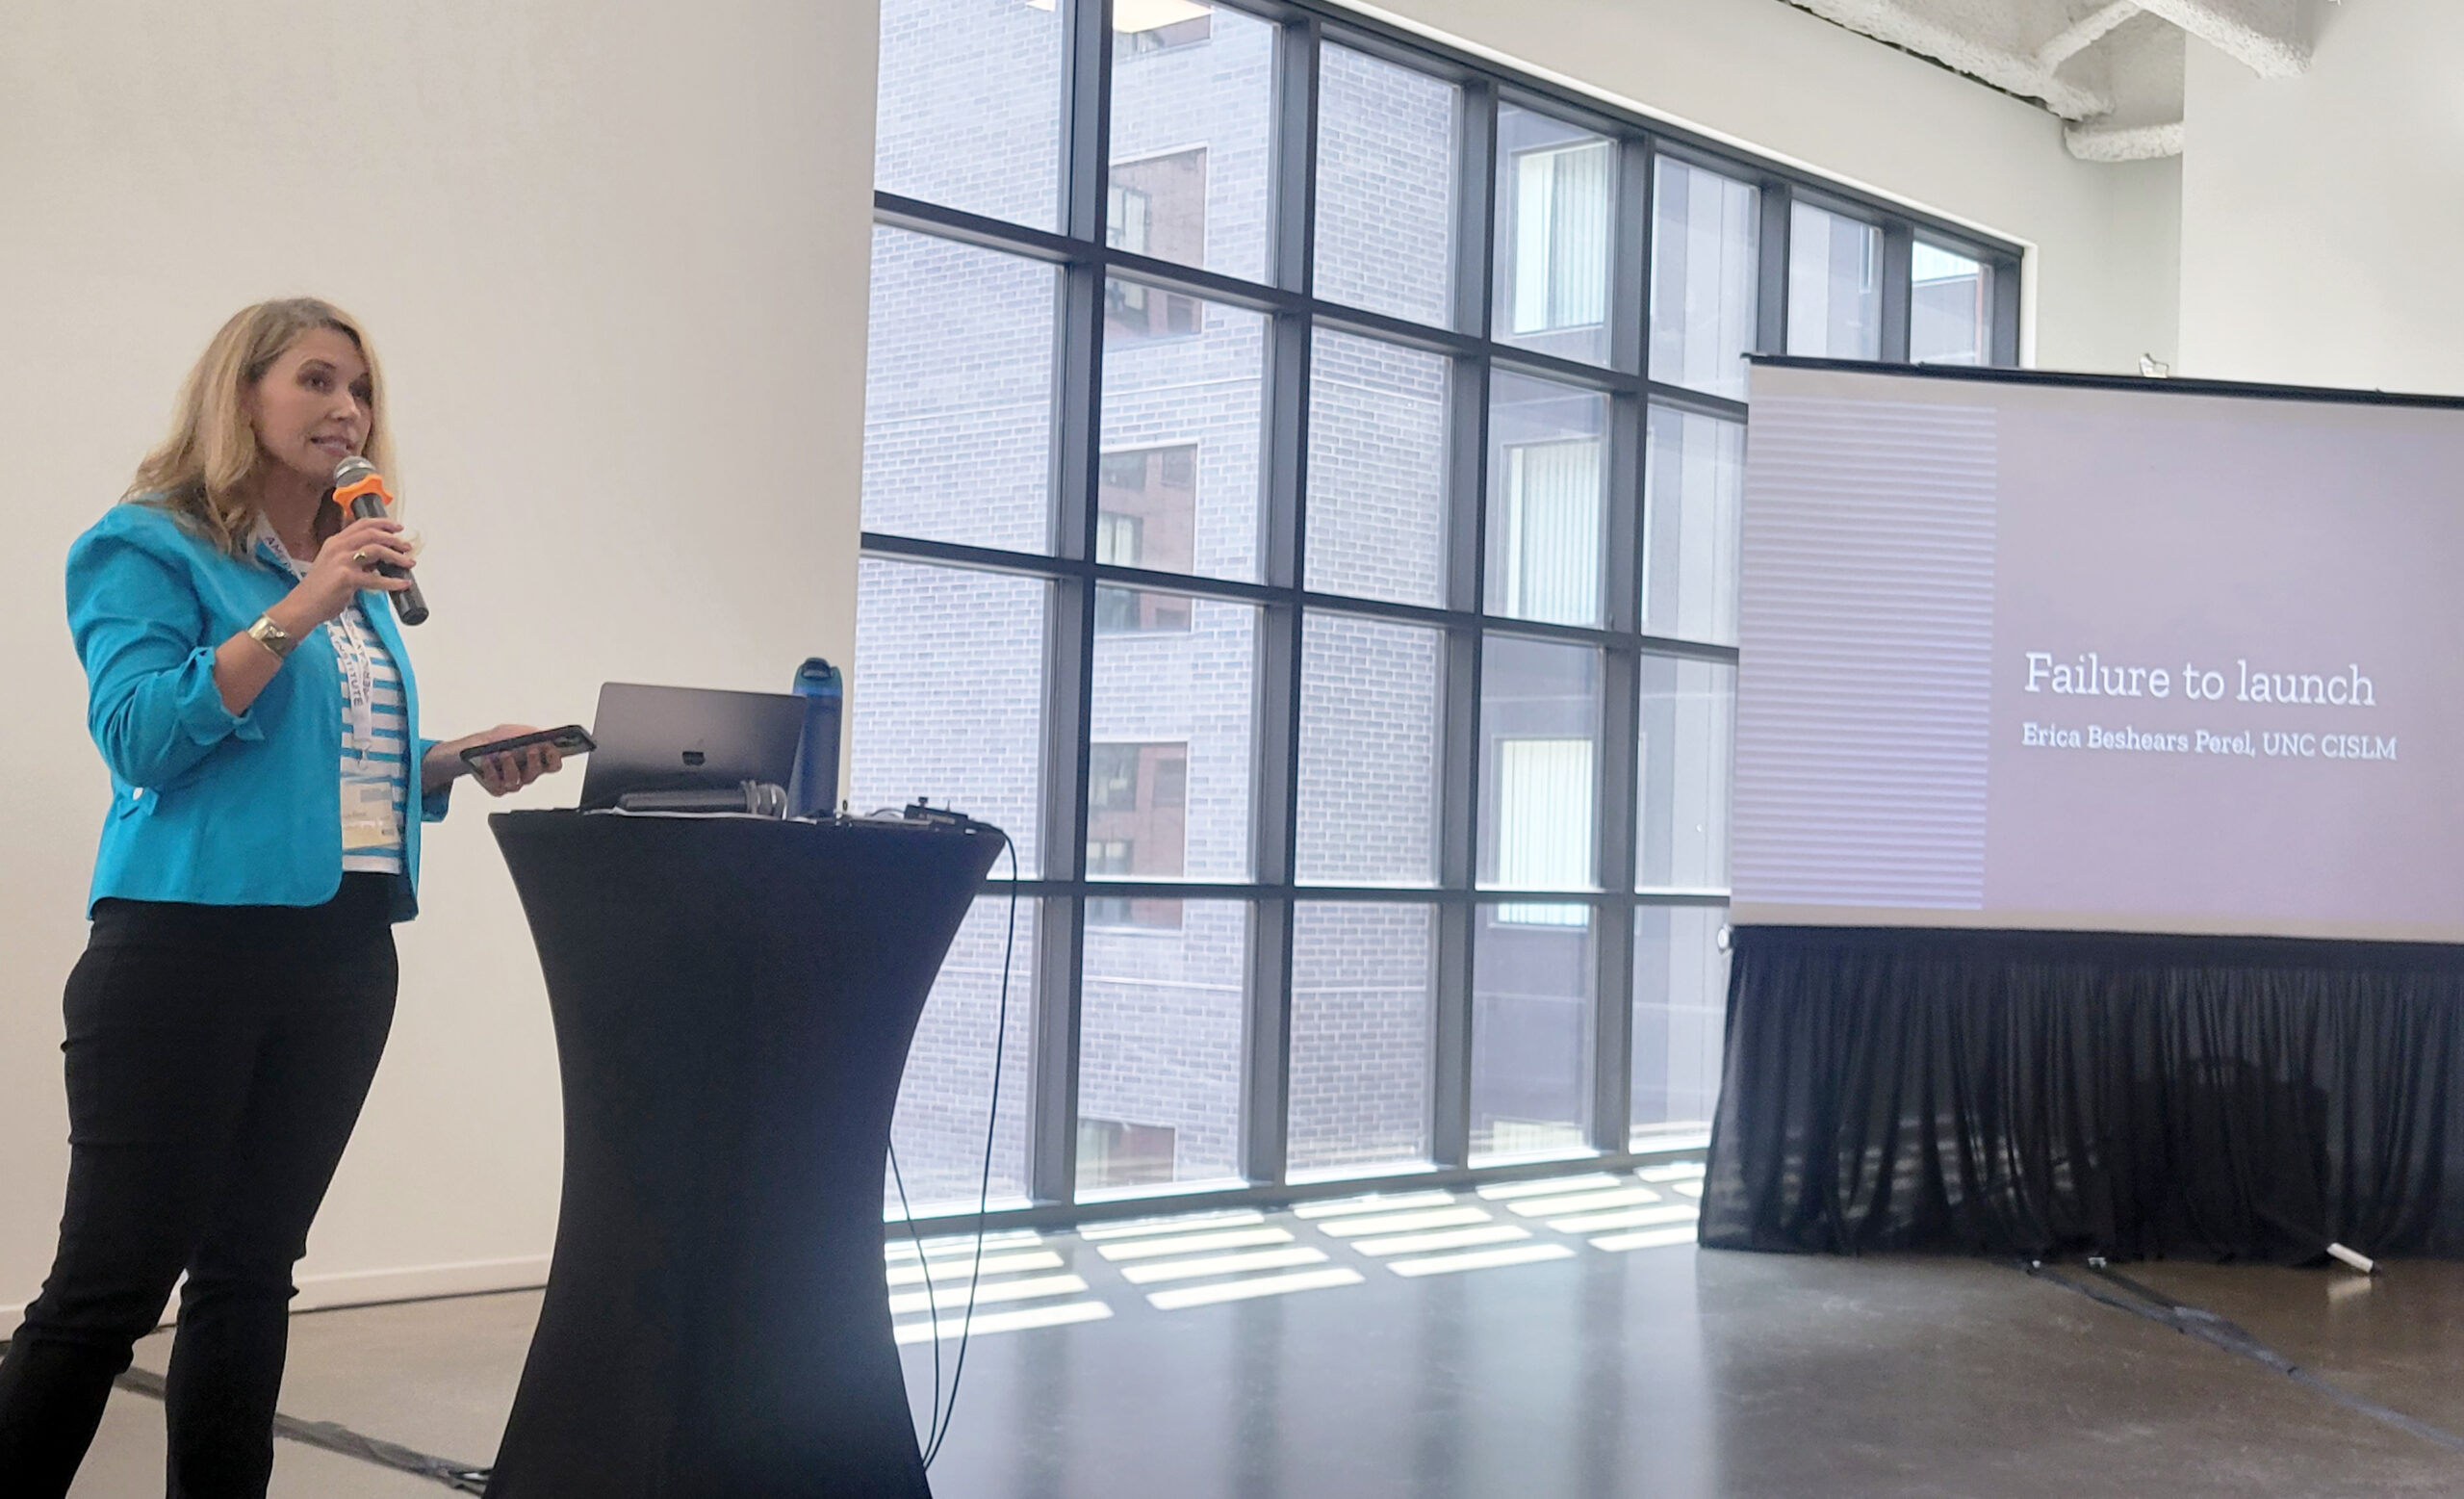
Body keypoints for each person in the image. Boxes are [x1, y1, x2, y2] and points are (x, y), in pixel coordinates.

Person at [0, 297, 567, 1497]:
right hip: (184, 952)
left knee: (254, 1270)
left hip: (343, 952)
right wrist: (300, 603)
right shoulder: (146, 546)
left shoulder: (352, 576)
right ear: (239, 396)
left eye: (360, 389)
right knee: (108, 1288)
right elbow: (144, 738)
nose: (348, 411)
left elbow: (323, 769)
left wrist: (456, 759)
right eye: (316, 381)